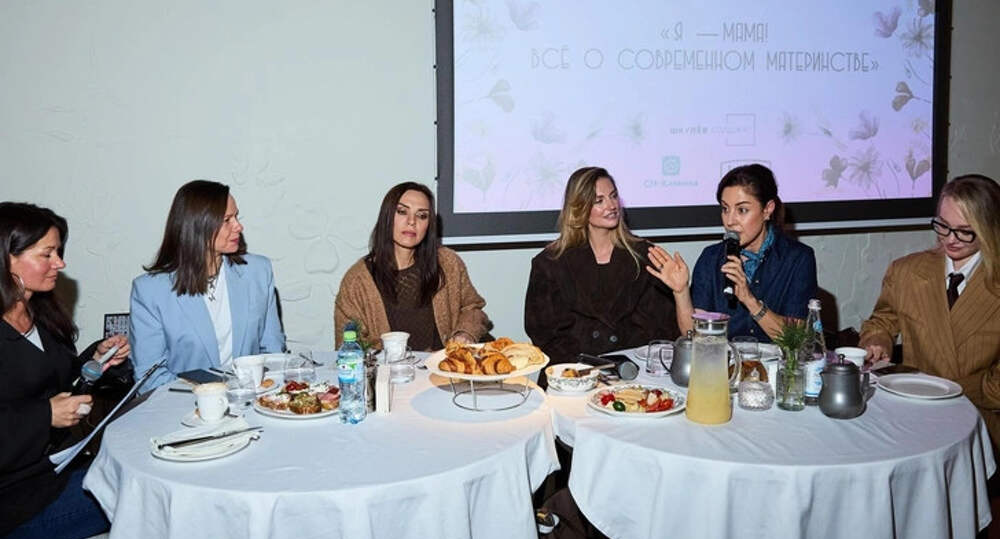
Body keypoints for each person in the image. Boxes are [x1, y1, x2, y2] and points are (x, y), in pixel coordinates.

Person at [0, 202, 130, 539]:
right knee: (145, 491)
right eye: (47, 254)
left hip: (56, 470)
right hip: (14, 506)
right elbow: (39, 403)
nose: (60, 263)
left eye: (58, 252)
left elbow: (57, 379)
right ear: (6, 259)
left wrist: (97, 359)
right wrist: (45, 416)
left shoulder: (40, 314)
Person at [862, 174, 1000, 446]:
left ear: (989, 227)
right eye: (943, 226)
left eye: (965, 231)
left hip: (979, 420)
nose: (950, 239)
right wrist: (877, 340)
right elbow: (882, 320)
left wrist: (945, 389)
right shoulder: (906, 271)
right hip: (911, 413)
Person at [525, 166, 693, 365]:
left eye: (613, 196)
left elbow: (667, 331)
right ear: (579, 208)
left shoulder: (646, 256)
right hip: (573, 372)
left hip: (633, 371)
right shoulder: (549, 263)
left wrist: (681, 291)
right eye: (599, 201)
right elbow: (543, 334)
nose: (612, 205)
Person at [130, 180, 284, 391]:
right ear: (198, 226)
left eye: (236, 217)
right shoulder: (150, 291)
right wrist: (212, 395)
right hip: (185, 404)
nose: (238, 226)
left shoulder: (258, 271)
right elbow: (150, 377)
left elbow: (273, 353)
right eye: (227, 220)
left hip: (253, 398)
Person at [334, 182, 488, 350]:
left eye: (422, 216)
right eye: (402, 212)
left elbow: (473, 308)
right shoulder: (357, 281)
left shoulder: (448, 263)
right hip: (386, 367)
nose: (412, 221)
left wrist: (465, 333)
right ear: (387, 216)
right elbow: (347, 346)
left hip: (442, 364)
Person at [689, 164, 817, 340]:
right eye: (725, 209)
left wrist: (750, 300)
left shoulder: (798, 258)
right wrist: (680, 292)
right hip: (725, 357)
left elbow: (796, 340)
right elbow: (696, 336)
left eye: (742, 210)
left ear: (767, 209)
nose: (730, 221)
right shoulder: (711, 258)